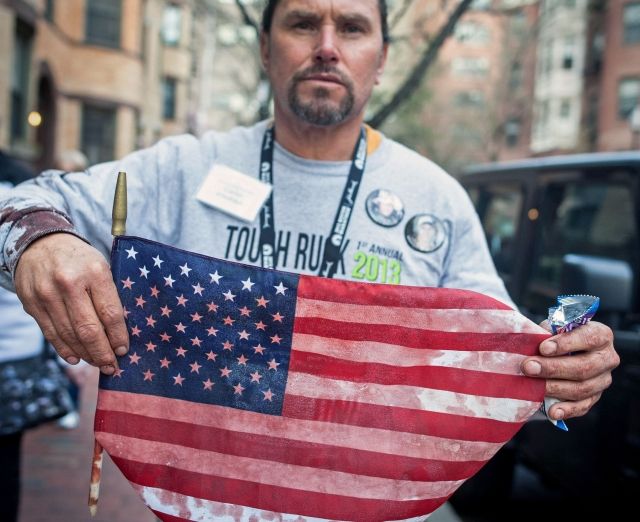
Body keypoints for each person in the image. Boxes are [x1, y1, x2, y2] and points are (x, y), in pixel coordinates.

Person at [0, 0, 618, 432]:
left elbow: (502, 359)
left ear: (380, 61)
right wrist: (41, 242)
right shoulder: (182, 169)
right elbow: (18, 203)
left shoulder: (437, 198)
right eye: (302, 23)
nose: (326, 47)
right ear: (266, 49)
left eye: (351, 27)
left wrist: (566, 374)